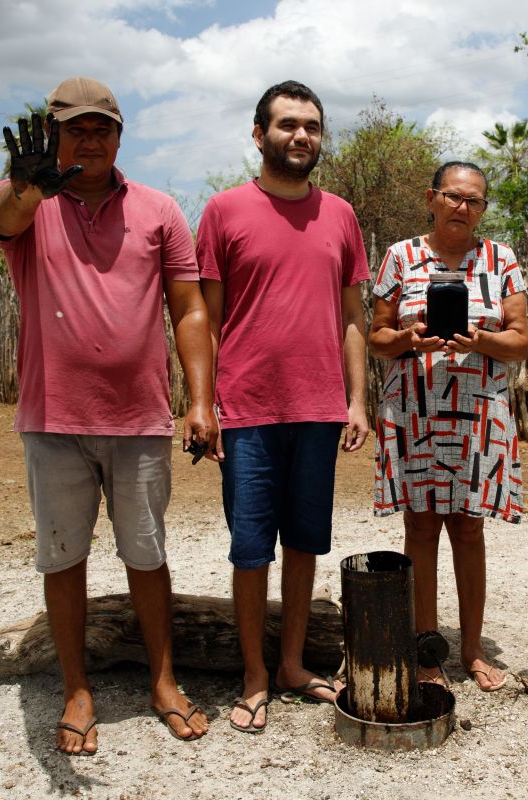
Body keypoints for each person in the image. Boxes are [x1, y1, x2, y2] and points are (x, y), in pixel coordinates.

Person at [0, 76, 218, 753]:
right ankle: (77, 688)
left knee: (146, 554)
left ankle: (164, 679)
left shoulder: (158, 210)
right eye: (75, 126)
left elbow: (191, 308)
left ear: (120, 135)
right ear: (52, 134)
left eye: (103, 126)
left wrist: (201, 400)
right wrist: (28, 187)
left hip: (139, 416)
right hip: (54, 417)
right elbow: (1, 216)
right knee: (63, 557)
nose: (90, 137)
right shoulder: (30, 209)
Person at [196, 80, 370, 734]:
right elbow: (203, 318)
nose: (301, 136)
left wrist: (357, 400)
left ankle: (293, 664)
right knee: (250, 549)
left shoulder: (341, 216)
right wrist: (203, 402)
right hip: (245, 410)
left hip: (319, 410)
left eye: (313, 127)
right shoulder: (223, 212)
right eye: (288, 124)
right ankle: (253, 675)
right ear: (259, 133)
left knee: (303, 543)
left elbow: (353, 315)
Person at [368, 161, 528, 692]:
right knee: (419, 527)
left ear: (484, 208)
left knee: (468, 527)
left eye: (475, 201)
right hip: (414, 412)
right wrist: (412, 337)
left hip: (479, 415)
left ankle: (473, 649)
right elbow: (377, 338)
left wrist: (478, 339)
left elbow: (520, 342)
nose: (464, 207)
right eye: (454, 197)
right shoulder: (400, 256)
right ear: (431, 198)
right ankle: (426, 649)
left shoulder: (501, 260)